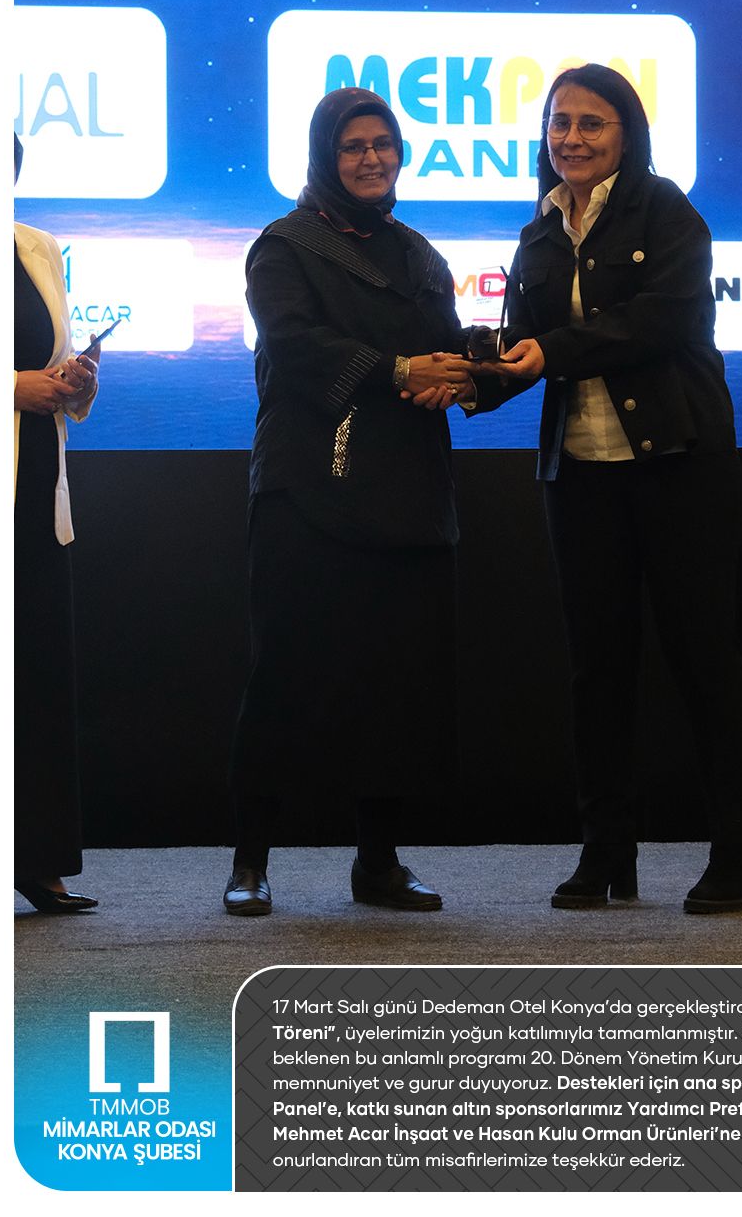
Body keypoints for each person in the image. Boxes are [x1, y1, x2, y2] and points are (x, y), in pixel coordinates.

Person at [472, 64, 742, 912]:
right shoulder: (537, 233)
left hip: (680, 468)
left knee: (703, 660)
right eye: (560, 122)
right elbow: (526, 351)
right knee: (596, 672)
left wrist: (549, 353)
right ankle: (606, 853)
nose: (572, 138)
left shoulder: (667, 211)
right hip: (580, 476)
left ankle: (736, 857)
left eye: (591, 123)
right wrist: (465, 380)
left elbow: (659, 322)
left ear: (626, 134)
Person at [223, 88, 473, 916]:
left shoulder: (419, 254)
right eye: (353, 146)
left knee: (394, 682)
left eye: (384, 144)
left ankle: (379, 864)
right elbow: (296, 346)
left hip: (405, 490)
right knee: (286, 675)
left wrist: (466, 371)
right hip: (308, 491)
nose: (372, 159)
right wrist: (401, 371)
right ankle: (250, 862)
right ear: (326, 157)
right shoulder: (284, 246)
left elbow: (443, 348)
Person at [13, 133, 100, 914]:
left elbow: (54, 365)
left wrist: (76, 384)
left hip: (37, 495)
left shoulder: (35, 246)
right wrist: (11, 386)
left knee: (34, 677)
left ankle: (36, 861)